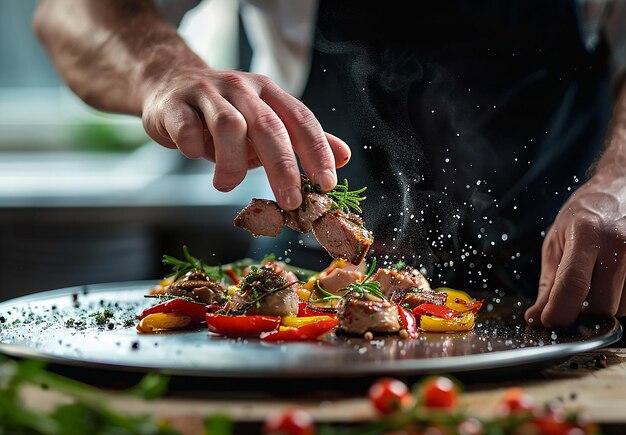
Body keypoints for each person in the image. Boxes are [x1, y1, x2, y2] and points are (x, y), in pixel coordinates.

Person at [33, 0, 626, 329]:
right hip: (304, 302)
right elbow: (71, 14)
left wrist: (620, 182)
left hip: (570, 285)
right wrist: (162, 69)